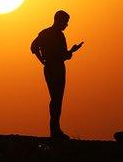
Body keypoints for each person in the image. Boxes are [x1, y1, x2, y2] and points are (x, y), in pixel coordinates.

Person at [30, 10, 84, 139]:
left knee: (55, 99)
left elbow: (33, 47)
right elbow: (63, 55)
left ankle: (55, 129)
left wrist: (42, 60)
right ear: (59, 21)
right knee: (57, 99)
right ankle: (55, 130)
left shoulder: (44, 33)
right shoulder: (58, 35)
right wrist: (72, 51)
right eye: (65, 22)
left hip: (49, 67)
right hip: (57, 68)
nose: (66, 25)